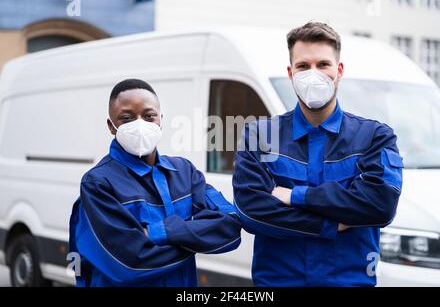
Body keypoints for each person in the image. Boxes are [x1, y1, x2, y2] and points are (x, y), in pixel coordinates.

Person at [232, 22, 403, 287]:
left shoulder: (374, 137)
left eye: (323, 64)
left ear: (339, 70)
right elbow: (251, 211)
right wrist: (330, 225)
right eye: (303, 66)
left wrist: (295, 196)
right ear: (290, 73)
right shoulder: (259, 136)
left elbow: (380, 206)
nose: (314, 74)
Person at [69, 79, 241, 287]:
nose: (140, 125)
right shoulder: (98, 184)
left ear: (161, 119)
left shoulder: (184, 172)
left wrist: (159, 233)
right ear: (111, 126)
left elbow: (230, 226)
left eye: (149, 116)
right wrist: (196, 237)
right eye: (127, 118)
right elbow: (130, 264)